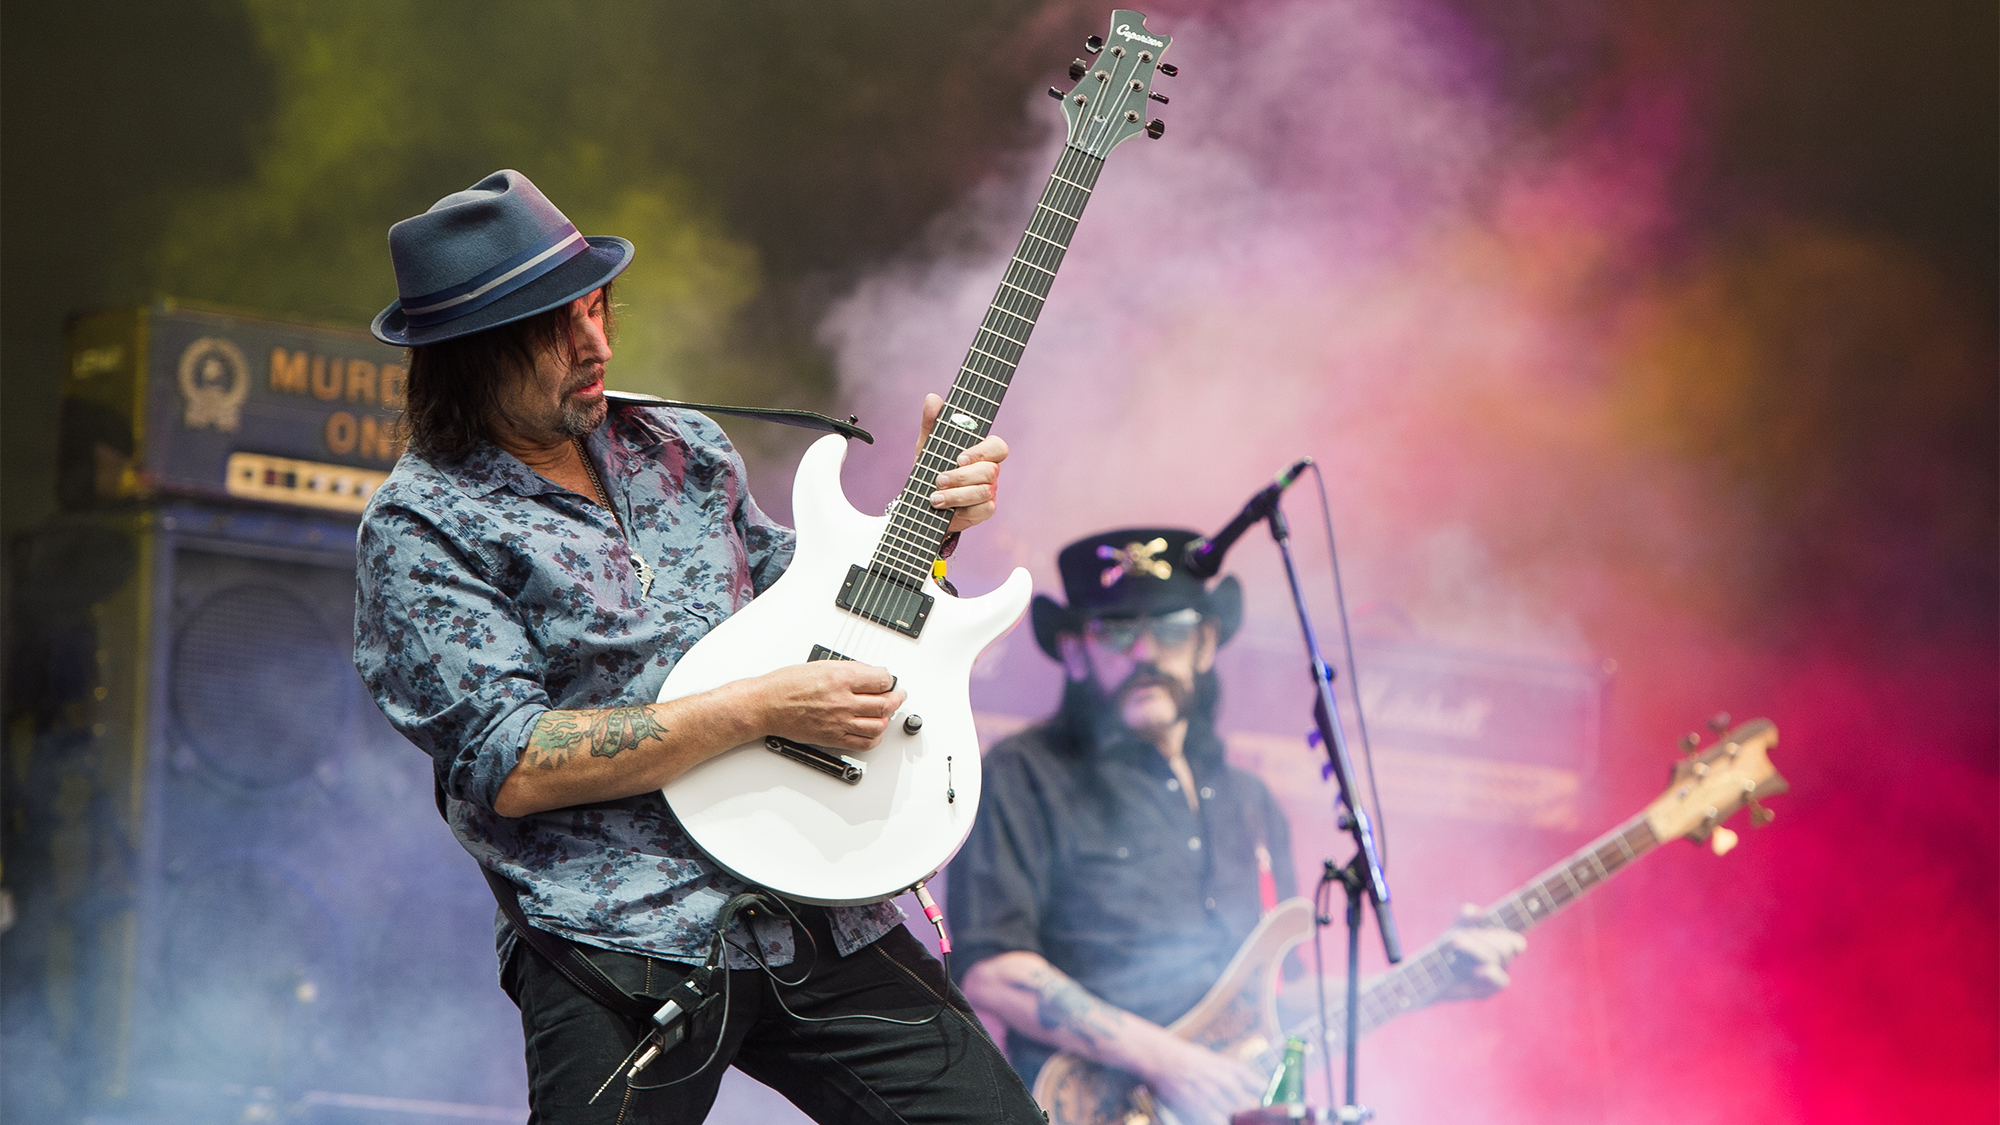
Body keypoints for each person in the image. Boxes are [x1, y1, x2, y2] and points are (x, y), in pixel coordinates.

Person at [353, 169, 1044, 1124]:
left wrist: (931, 529)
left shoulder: (685, 447)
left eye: (597, 309)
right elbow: (511, 765)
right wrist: (760, 708)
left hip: (818, 897)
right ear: (469, 354)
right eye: (555, 329)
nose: (594, 345)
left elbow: (825, 614)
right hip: (615, 938)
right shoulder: (424, 525)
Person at [946, 528, 1528, 1125]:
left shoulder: (1251, 803)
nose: (1144, 652)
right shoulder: (1024, 772)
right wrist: (1173, 1063)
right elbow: (992, 970)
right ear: (1075, 652)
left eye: (1169, 630)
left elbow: (1281, 1001)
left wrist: (1426, 980)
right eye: (1117, 630)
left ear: (1205, 644)